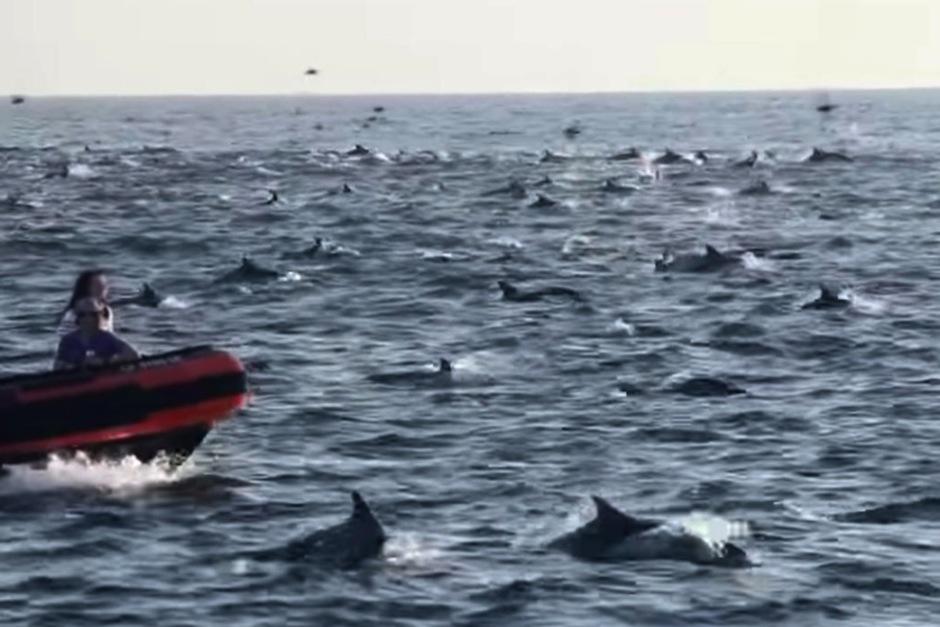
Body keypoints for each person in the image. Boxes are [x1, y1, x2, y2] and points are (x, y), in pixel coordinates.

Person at [53, 297, 139, 370]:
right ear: (77, 318)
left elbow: (133, 355)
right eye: (83, 315)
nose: (89, 319)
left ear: (101, 315)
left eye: (93, 314)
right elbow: (57, 367)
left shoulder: (107, 338)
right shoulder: (68, 341)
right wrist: (79, 365)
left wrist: (106, 361)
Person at [57, 270, 115, 334]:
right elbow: (66, 337)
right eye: (97, 286)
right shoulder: (73, 314)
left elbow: (109, 334)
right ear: (86, 288)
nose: (103, 289)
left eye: (104, 285)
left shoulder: (107, 310)